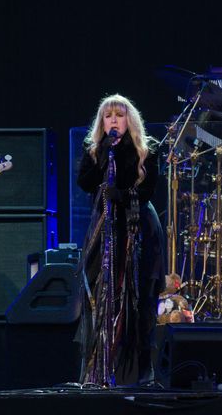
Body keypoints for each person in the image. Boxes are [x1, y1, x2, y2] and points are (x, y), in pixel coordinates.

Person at [77, 94, 165, 386]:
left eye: (119, 115)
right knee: (101, 295)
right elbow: (85, 183)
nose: (113, 120)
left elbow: (147, 190)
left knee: (136, 297)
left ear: (130, 120)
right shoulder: (96, 151)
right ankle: (99, 369)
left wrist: (124, 196)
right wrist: (102, 153)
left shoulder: (144, 150)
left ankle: (136, 373)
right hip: (105, 229)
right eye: (108, 116)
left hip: (137, 229)